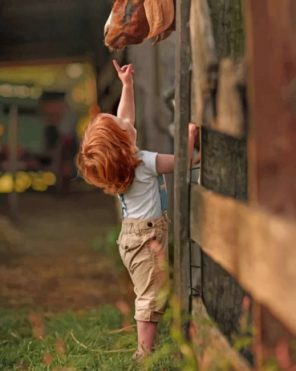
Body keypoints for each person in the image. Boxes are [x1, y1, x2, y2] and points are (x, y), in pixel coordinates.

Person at [76, 60, 199, 360]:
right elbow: (186, 160)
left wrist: (126, 86)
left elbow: (125, 117)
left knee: (151, 290)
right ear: (124, 144)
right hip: (145, 241)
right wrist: (192, 136)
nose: (127, 122)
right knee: (149, 297)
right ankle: (144, 353)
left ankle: (149, 345)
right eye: (122, 128)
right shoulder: (144, 161)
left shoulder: (124, 167)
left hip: (132, 238)